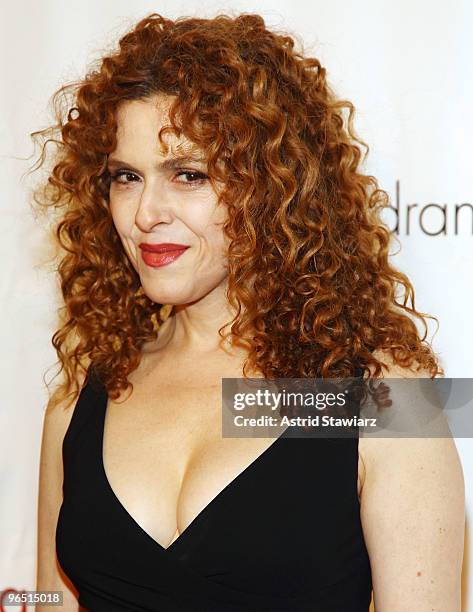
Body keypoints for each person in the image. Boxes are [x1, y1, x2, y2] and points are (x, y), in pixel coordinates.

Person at [34, 12, 465, 612]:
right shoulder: (85, 387)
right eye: (125, 177)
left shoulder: (381, 397)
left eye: (188, 174)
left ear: (270, 187)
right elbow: (49, 601)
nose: (145, 212)